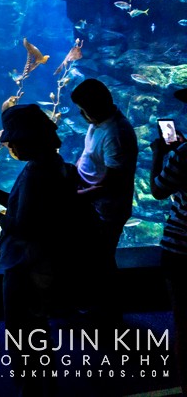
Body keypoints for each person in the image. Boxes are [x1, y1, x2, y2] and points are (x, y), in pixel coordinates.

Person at [0, 103, 91, 397]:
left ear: (28, 139)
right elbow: (22, 206)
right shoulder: (50, 164)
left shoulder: (36, 173)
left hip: (25, 264)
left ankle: (29, 389)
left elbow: (21, 226)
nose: (10, 147)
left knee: (19, 330)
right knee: (37, 327)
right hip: (43, 261)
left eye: (13, 141)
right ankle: (46, 385)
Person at [70, 77, 138, 322]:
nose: (81, 114)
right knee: (90, 258)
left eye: (83, 109)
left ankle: (107, 314)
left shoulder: (115, 134)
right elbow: (89, 155)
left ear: (96, 106)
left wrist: (76, 196)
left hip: (106, 210)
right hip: (91, 203)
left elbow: (113, 183)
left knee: (100, 260)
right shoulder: (98, 122)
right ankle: (94, 305)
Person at [150, 87, 187, 396]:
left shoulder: (184, 154)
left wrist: (159, 154)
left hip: (182, 249)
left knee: (184, 323)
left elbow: (159, 190)